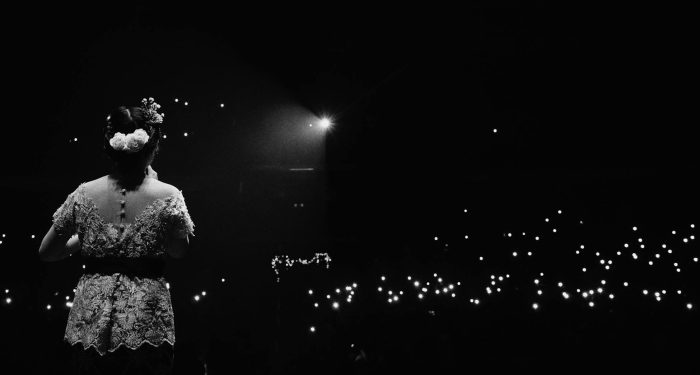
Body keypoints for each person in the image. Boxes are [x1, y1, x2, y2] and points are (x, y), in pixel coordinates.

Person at [38, 98, 195, 374]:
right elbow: (179, 250)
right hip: (146, 319)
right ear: (152, 146)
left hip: (90, 315)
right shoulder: (168, 195)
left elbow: (47, 252)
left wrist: (89, 241)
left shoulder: (83, 193)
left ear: (110, 146)